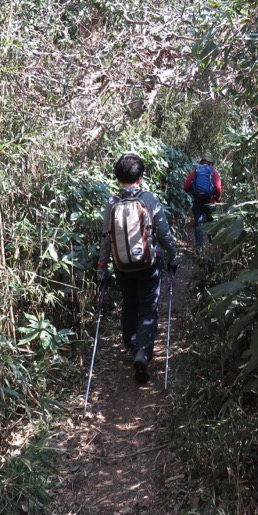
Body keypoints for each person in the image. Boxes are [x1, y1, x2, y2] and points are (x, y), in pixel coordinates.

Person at [97, 153, 179, 383]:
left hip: (122, 265)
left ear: (117, 177)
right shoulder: (149, 198)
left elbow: (106, 239)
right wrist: (174, 256)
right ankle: (143, 350)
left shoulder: (112, 203)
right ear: (140, 177)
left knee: (129, 303)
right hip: (148, 264)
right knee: (148, 307)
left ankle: (131, 346)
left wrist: (102, 270)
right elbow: (163, 233)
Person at [183, 153, 222, 248]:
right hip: (211, 202)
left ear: (202, 162)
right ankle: (213, 247)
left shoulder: (195, 172)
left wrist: (193, 192)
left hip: (198, 202)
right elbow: (218, 187)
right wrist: (217, 198)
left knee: (199, 225)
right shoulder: (214, 172)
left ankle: (199, 249)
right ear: (211, 163)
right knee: (212, 224)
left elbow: (186, 186)